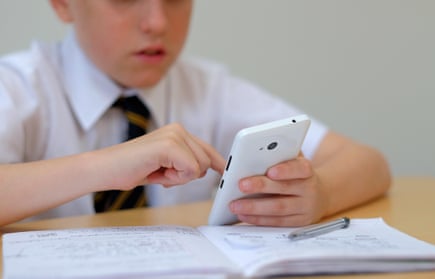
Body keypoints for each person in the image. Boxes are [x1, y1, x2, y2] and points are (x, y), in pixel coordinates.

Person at [0, 0, 391, 227]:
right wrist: (103, 166)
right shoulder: (18, 85)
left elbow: (369, 164)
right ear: (63, 4)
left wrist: (319, 195)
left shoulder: (208, 90)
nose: (157, 22)